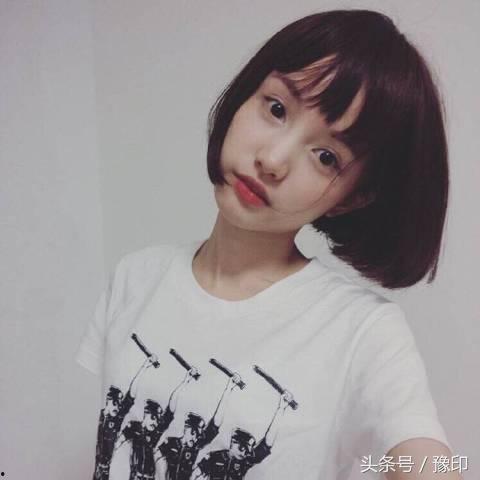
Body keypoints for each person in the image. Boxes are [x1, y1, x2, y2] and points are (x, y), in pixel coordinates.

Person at [76, 9, 461, 480]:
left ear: (351, 197)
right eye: (276, 109)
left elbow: (428, 461)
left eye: (326, 157)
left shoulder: (362, 331)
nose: (273, 160)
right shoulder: (135, 277)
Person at [155, 373, 241, 480]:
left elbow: (215, 424)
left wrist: (228, 389)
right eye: (192, 433)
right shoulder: (170, 442)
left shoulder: (196, 446)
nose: (195, 438)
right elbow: (157, 457)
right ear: (185, 428)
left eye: (198, 435)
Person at [93, 356, 157, 480]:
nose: (117, 407)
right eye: (114, 403)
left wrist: (144, 367)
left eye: (119, 403)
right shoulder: (99, 416)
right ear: (108, 400)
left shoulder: (117, 418)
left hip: (109, 471)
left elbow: (130, 396)